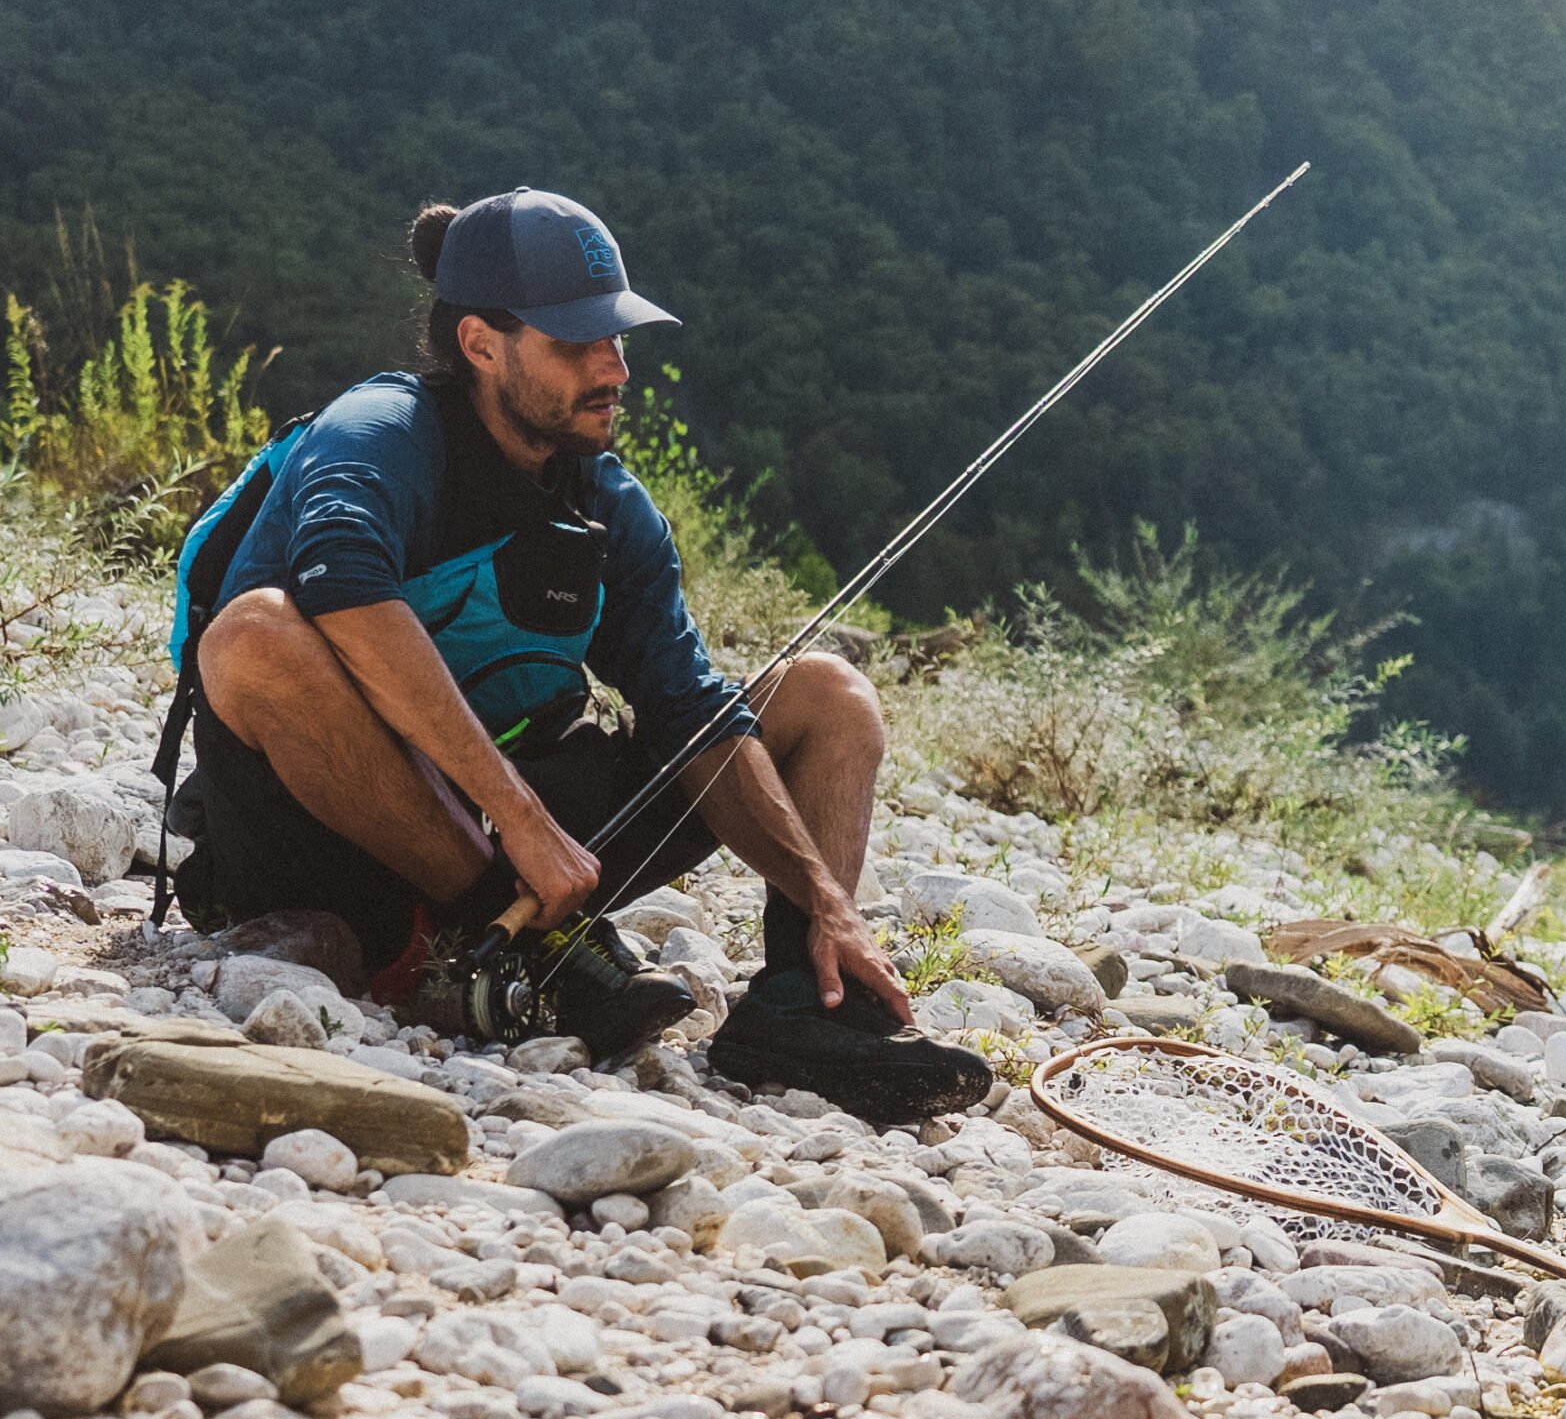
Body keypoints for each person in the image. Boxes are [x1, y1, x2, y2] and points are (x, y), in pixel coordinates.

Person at [161, 188, 988, 1125]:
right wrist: (516, 819)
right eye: (576, 344)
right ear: (480, 344)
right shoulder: (378, 432)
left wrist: (826, 897)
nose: (614, 368)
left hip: (537, 859)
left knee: (830, 695)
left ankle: (804, 1005)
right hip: (330, 836)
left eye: (619, 339)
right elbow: (343, 584)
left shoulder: (608, 505)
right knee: (255, 635)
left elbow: (691, 710)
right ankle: (530, 952)